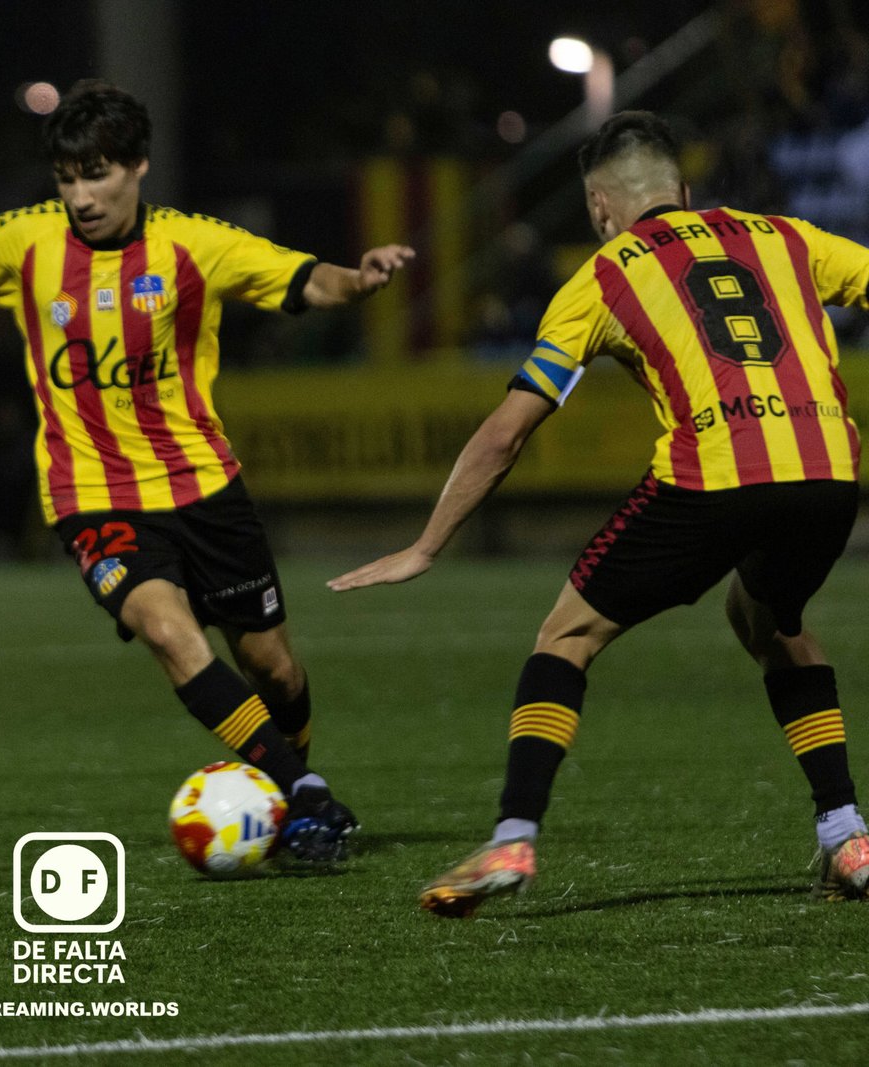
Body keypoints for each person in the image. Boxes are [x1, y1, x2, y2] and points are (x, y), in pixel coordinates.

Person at [0, 80, 414, 862]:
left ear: (139, 166)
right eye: (68, 178)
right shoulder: (22, 239)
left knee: (272, 667)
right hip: (91, 494)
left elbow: (308, 279)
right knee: (170, 633)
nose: (81, 195)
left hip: (203, 485)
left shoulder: (193, 243)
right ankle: (308, 795)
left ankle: (284, 785)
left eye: (98, 174)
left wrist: (362, 276)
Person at [330, 110, 869, 913]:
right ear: (685, 190)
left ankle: (514, 833)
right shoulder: (786, 235)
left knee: (568, 635)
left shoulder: (602, 275)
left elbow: (507, 431)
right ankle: (847, 835)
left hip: (713, 472)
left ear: (598, 207)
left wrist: (427, 543)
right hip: (829, 471)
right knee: (771, 621)